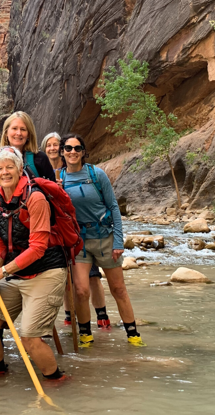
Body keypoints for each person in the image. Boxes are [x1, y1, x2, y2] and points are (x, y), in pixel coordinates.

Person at [0, 146, 68, 381]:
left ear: (19, 169)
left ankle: (57, 380)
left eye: (9, 167)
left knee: (29, 337)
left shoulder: (35, 198)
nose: (5, 172)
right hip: (15, 274)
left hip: (46, 271)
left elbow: (38, 248)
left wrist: (2, 272)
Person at [60, 134, 145, 347]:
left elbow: (114, 207)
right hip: (78, 241)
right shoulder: (59, 180)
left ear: (83, 152)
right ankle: (86, 334)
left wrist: (118, 242)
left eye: (77, 148)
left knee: (118, 289)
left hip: (104, 237)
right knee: (80, 290)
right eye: (68, 148)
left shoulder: (97, 174)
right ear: (62, 152)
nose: (73, 152)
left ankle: (133, 335)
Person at [43, 134, 111, 328]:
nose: (53, 148)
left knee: (93, 275)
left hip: (85, 233)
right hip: (61, 232)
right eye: (49, 145)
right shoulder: (45, 169)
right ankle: (69, 315)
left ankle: (101, 315)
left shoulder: (74, 170)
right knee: (67, 278)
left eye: (56, 144)